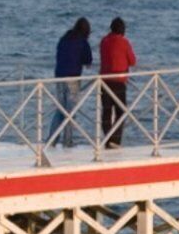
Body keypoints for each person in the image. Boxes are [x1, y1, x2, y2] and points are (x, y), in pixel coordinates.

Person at [52, 16, 93, 144]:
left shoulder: (64, 39)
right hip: (72, 77)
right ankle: (67, 141)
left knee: (60, 109)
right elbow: (88, 59)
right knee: (70, 111)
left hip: (59, 75)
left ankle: (52, 140)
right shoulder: (82, 41)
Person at [97, 17, 137, 147]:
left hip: (104, 81)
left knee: (106, 111)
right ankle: (115, 139)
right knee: (121, 112)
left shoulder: (104, 41)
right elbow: (132, 61)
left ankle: (108, 139)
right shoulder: (124, 42)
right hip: (118, 81)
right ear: (123, 30)